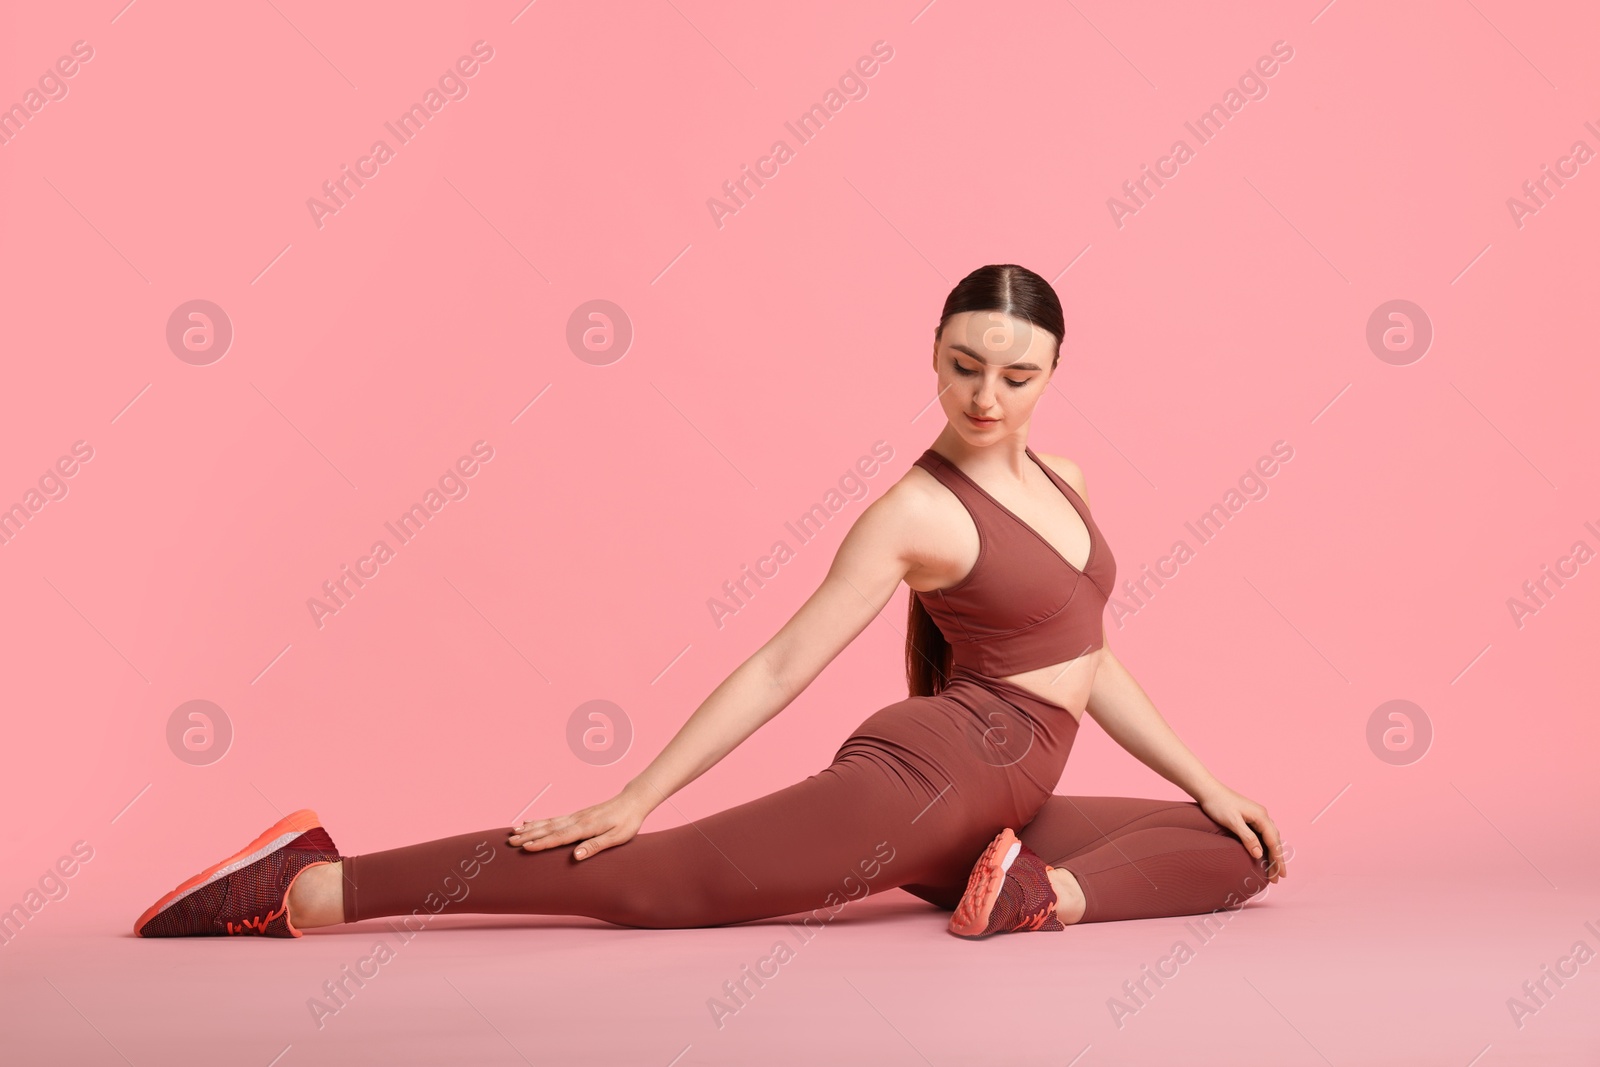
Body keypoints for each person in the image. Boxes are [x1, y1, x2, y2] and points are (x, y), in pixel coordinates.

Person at [133, 264, 1286, 942]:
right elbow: (783, 665)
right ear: (931, 355)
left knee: (1233, 844)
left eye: (1015, 373)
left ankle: (1035, 892)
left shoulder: (1065, 481)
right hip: (940, 770)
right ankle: (311, 884)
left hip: (1005, 797)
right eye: (962, 364)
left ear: (1052, 372)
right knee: (656, 879)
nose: (986, 393)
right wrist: (636, 791)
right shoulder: (911, 514)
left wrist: (1205, 775)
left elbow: (1090, 657)